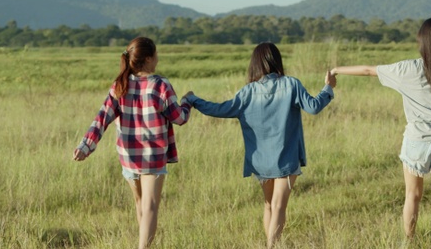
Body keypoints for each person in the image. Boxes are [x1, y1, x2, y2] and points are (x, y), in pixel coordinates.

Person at [331, 18, 431, 249]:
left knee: (412, 196)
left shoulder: (406, 69)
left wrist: (335, 70)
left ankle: (408, 243)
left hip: (416, 143)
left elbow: (368, 70)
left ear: (422, 42)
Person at [184, 42, 336, 249]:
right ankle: (272, 246)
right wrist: (328, 87)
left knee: (268, 205)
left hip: (260, 161)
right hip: (286, 158)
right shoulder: (292, 84)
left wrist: (194, 100)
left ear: (255, 64)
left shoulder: (248, 92)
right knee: (279, 206)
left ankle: (270, 244)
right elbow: (314, 107)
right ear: (277, 60)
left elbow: (219, 109)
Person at [73, 37, 192, 249]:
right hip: (153, 156)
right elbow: (179, 118)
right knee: (150, 206)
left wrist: (85, 146)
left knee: (140, 204)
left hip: (128, 156)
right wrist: (187, 102)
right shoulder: (161, 85)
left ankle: (143, 243)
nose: (158, 59)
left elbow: (102, 118)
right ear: (148, 58)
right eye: (156, 55)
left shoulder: (120, 84)